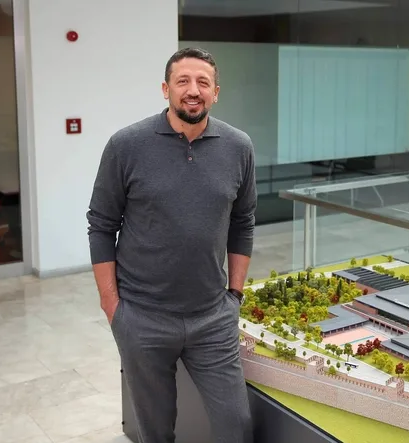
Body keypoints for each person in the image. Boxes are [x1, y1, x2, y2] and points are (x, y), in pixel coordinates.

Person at [86, 47, 256, 443]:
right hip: (143, 318)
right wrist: (112, 305)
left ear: (216, 92)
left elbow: (243, 222)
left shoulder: (238, 147)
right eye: (183, 81)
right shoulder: (126, 145)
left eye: (203, 82)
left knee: (236, 425)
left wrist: (235, 294)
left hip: (212, 318)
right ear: (166, 89)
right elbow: (101, 226)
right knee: (156, 432)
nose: (193, 90)